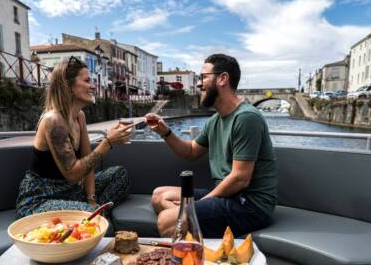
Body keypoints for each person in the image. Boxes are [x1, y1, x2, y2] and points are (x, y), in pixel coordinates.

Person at [146, 54, 277, 238]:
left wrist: (194, 207)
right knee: (159, 196)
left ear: (223, 78)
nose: (199, 84)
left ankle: (187, 250)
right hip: (228, 196)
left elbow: (240, 179)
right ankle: (194, 235)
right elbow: (191, 151)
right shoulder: (215, 120)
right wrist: (165, 132)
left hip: (250, 205)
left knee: (167, 221)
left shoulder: (246, 117)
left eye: (203, 77)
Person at [16, 56, 133, 218]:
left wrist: (91, 199)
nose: (93, 86)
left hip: (73, 191)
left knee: (120, 174)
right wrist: (108, 142)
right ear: (68, 86)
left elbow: (87, 163)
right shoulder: (53, 121)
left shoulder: (79, 116)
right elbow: (72, 173)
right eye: (86, 81)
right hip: (41, 200)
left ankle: (94, 214)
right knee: (93, 217)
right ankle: (95, 217)